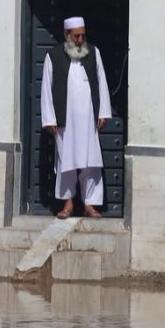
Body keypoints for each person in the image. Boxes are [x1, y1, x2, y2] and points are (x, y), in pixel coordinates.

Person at [41, 16, 112, 219]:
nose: (81, 40)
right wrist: (49, 119)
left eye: (83, 35)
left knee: (91, 162)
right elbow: (46, 88)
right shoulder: (53, 56)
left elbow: (101, 82)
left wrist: (103, 112)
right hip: (65, 121)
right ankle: (68, 204)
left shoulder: (93, 53)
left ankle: (90, 204)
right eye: (77, 36)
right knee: (66, 161)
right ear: (66, 35)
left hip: (89, 119)